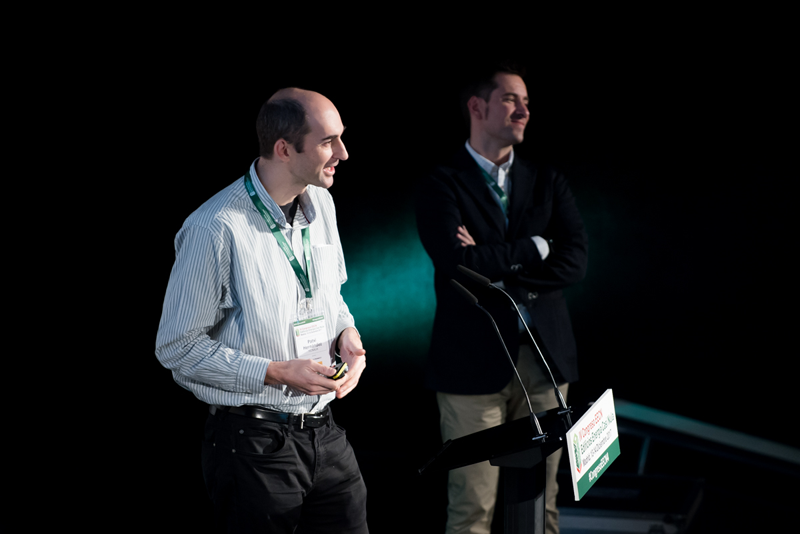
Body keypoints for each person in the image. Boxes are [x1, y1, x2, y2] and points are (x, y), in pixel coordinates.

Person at [155, 87, 368, 533]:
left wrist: (348, 335)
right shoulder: (215, 227)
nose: (343, 153)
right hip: (253, 444)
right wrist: (273, 371)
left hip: (326, 432)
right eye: (329, 141)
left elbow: (333, 296)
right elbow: (176, 347)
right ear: (284, 148)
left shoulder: (323, 204)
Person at [414, 63, 588, 534]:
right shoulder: (440, 183)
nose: (525, 110)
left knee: (543, 510)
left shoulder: (547, 179)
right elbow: (456, 263)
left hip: (545, 363)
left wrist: (493, 263)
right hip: (471, 367)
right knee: (472, 511)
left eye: (527, 101)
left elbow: (576, 260)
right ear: (478, 106)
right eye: (512, 99)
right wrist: (534, 247)